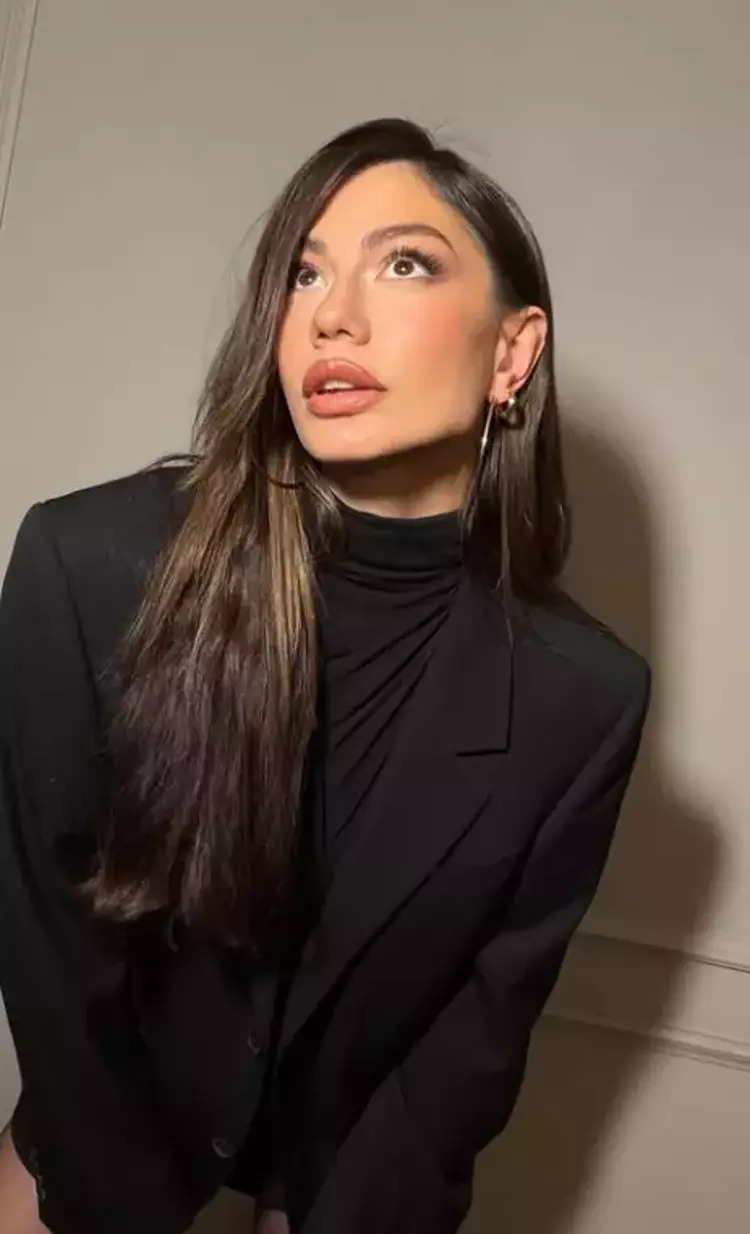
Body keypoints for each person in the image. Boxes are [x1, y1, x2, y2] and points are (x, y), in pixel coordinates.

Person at [0, 116, 651, 1234]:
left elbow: (466, 1055)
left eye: (405, 264)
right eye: (303, 273)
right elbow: (54, 956)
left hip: (341, 1174)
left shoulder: (582, 700)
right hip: (96, 1151)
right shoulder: (86, 565)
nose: (332, 314)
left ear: (512, 353)